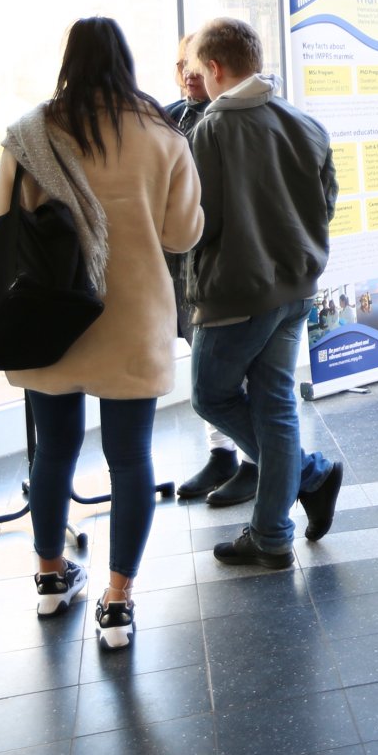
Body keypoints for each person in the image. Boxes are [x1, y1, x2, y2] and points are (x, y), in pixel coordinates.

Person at [0, 17, 204, 647]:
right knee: (131, 460)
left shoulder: (30, 133)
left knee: (53, 451)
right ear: (127, 63)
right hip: (130, 319)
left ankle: (50, 577)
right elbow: (183, 235)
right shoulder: (162, 134)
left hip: (50, 319)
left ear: (67, 61)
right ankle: (118, 602)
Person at [185, 17, 345, 568]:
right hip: (297, 291)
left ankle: (309, 475)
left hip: (237, 295)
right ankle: (274, 531)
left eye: (195, 72)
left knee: (211, 395)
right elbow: (327, 204)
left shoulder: (211, 130)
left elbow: (199, 223)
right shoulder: (305, 123)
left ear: (215, 68)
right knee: (276, 404)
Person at [163, 33, 251, 508]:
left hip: (236, 272)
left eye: (196, 64)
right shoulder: (169, 116)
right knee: (207, 372)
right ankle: (223, 455)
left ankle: (264, 463)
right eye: (181, 65)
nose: (188, 73)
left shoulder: (240, 118)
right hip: (187, 272)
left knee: (244, 376)